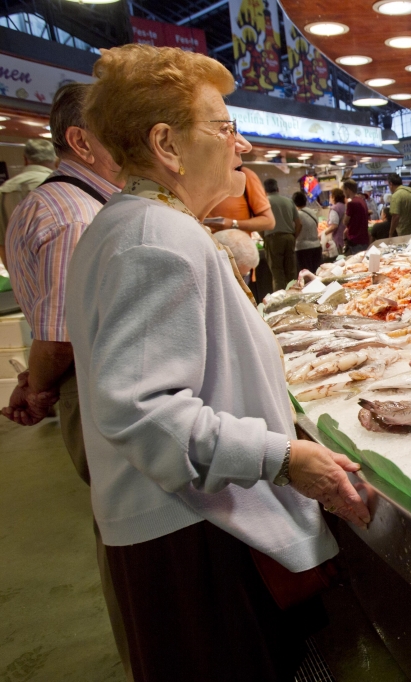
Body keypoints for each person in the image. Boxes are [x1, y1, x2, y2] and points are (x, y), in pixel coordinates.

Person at [65, 44, 370, 682]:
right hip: (192, 535)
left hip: (188, 522)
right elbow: (143, 409)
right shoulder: (158, 238)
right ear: (166, 144)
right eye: (224, 127)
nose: (243, 146)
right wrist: (283, 457)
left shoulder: (135, 224)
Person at [1, 81, 133, 681]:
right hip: (96, 386)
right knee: (126, 524)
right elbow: (60, 334)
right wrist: (40, 386)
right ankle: (147, 652)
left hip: (92, 382)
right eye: (119, 128)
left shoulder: (65, 203)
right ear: (81, 140)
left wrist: (33, 379)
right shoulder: (74, 212)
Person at [0, 139, 58, 265]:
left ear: (25, 159)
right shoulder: (59, 185)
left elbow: (2, 240)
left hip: (19, 265)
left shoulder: (5, 189)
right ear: (55, 159)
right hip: (54, 263)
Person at [204, 165, 274, 234]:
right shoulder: (199, 175)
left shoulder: (244, 175)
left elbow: (269, 222)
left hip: (234, 242)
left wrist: (233, 224)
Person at [263, 176, 301, 291]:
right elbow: (299, 224)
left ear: (264, 190)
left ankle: (281, 303)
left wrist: (265, 237)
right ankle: (296, 297)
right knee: (291, 273)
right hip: (289, 237)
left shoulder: (264, 202)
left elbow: (260, 225)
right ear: (278, 189)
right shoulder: (288, 201)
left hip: (273, 238)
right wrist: (293, 237)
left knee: (277, 274)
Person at [292, 191, 322, 273]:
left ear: (294, 203)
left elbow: (295, 229)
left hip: (303, 249)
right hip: (317, 246)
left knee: (306, 275)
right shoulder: (312, 212)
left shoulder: (297, 215)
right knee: (317, 273)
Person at [341, 180, 370, 254]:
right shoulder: (362, 201)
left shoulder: (352, 203)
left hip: (355, 239)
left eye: (343, 190)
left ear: (347, 189)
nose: (343, 193)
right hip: (364, 238)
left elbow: (345, 221)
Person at [324, 188, 345, 256]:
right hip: (346, 238)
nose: (329, 198)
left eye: (330, 196)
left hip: (339, 239)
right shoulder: (345, 206)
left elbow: (334, 225)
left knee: (340, 258)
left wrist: (324, 233)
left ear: (334, 197)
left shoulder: (335, 208)